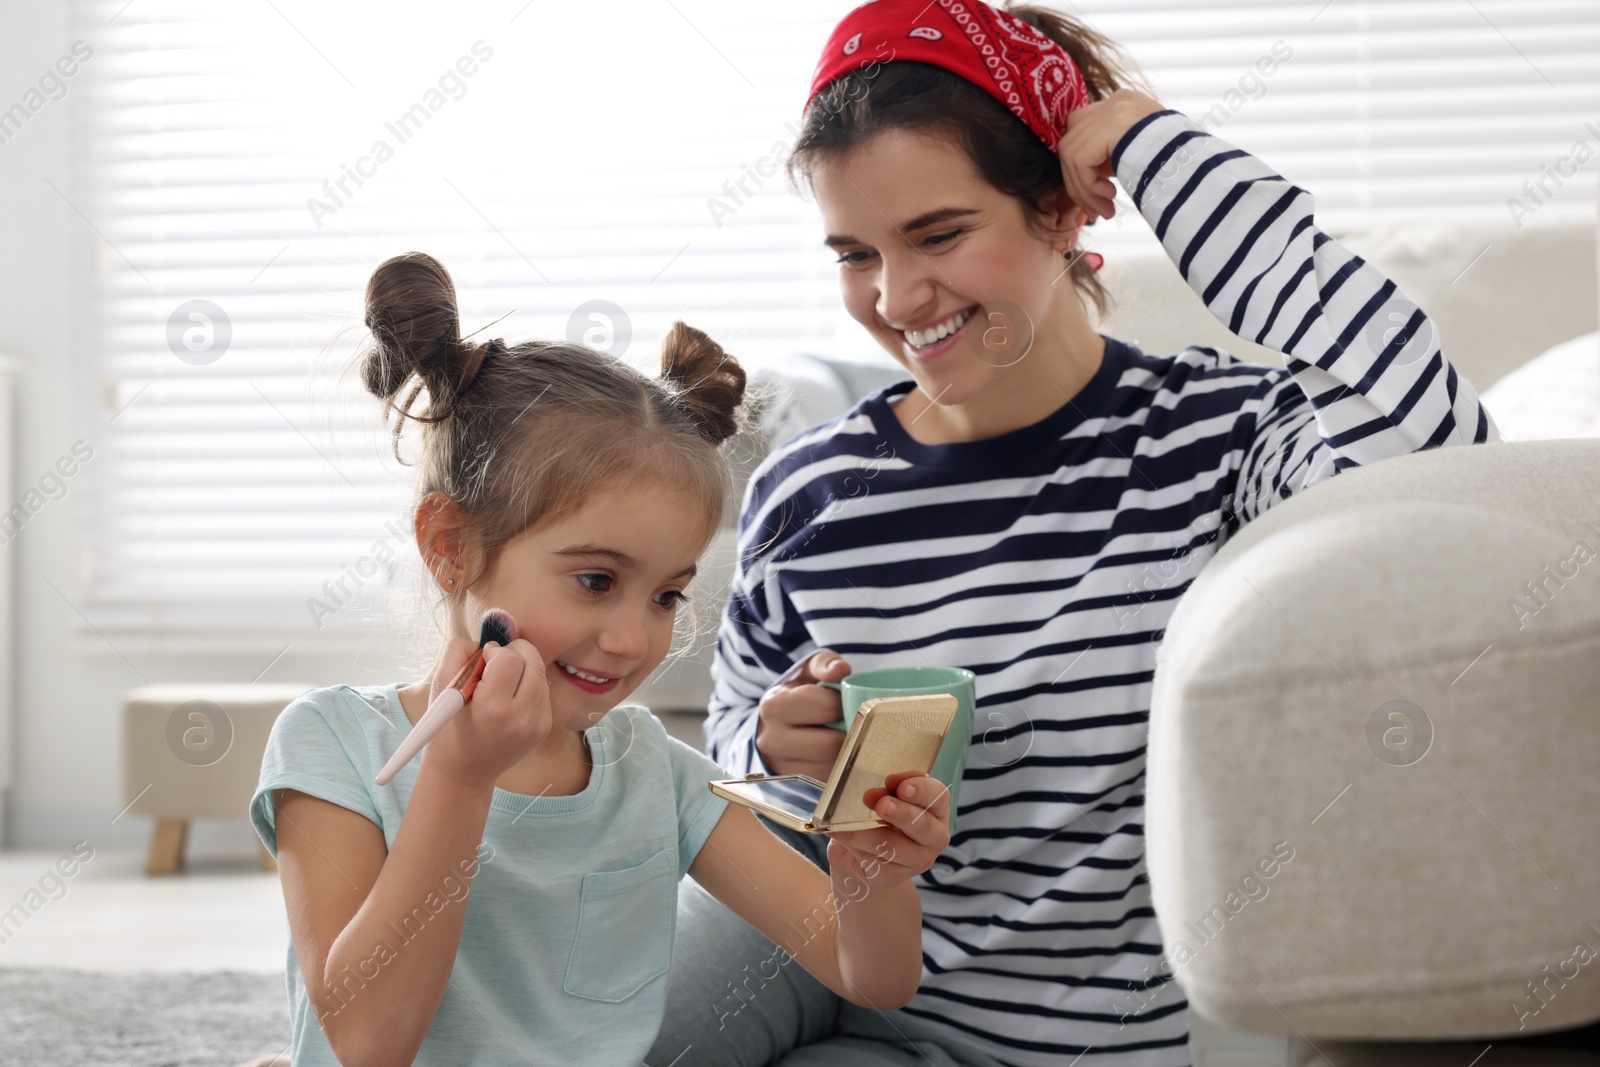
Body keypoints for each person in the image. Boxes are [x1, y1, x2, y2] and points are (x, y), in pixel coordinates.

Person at [646, 2, 1499, 1066]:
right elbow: (733, 743)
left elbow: (1441, 467)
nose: (897, 296)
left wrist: (1157, 149)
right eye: (854, 252)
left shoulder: (1217, 439)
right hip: (824, 954)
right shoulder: (809, 488)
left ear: (1059, 210)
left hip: (1048, 1042)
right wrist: (770, 742)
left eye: (939, 233)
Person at [246, 252, 952, 1067]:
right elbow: (371, 1045)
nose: (631, 638)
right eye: (595, 579)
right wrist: (460, 777)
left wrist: (876, 874)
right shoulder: (331, 743)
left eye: (665, 596)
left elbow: (872, 975)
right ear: (450, 547)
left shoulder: (653, 770)